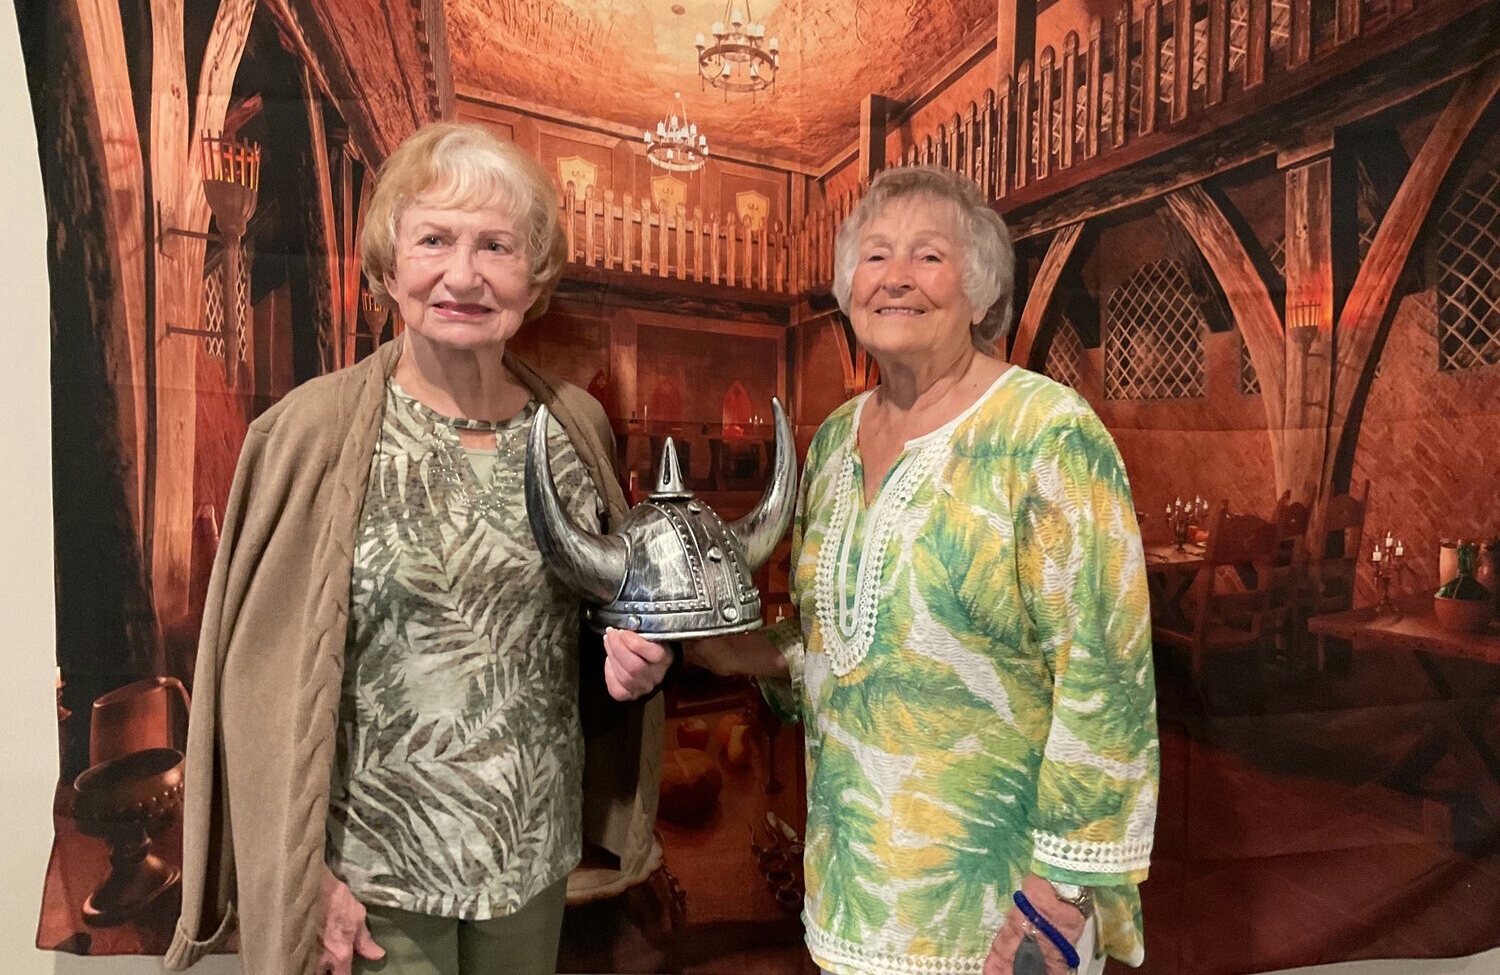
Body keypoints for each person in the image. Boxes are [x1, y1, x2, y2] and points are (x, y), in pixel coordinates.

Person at [609, 165, 1158, 975]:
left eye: (929, 257)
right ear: (847, 286)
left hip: (995, 910)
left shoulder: (1046, 433)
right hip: (850, 897)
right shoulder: (831, 441)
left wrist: (1065, 891)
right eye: (875, 257)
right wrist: (699, 643)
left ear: (979, 288)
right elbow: (825, 646)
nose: (897, 276)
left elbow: (1104, 676)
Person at [167, 123, 673, 975]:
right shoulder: (308, 433)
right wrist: (304, 876)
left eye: (496, 247)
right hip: (373, 877)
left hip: (531, 856)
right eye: (434, 239)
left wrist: (630, 653)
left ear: (534, 273)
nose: (463, 275)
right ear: (389, 264)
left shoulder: (573, 428)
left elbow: (602, 609)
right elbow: (252, 683)